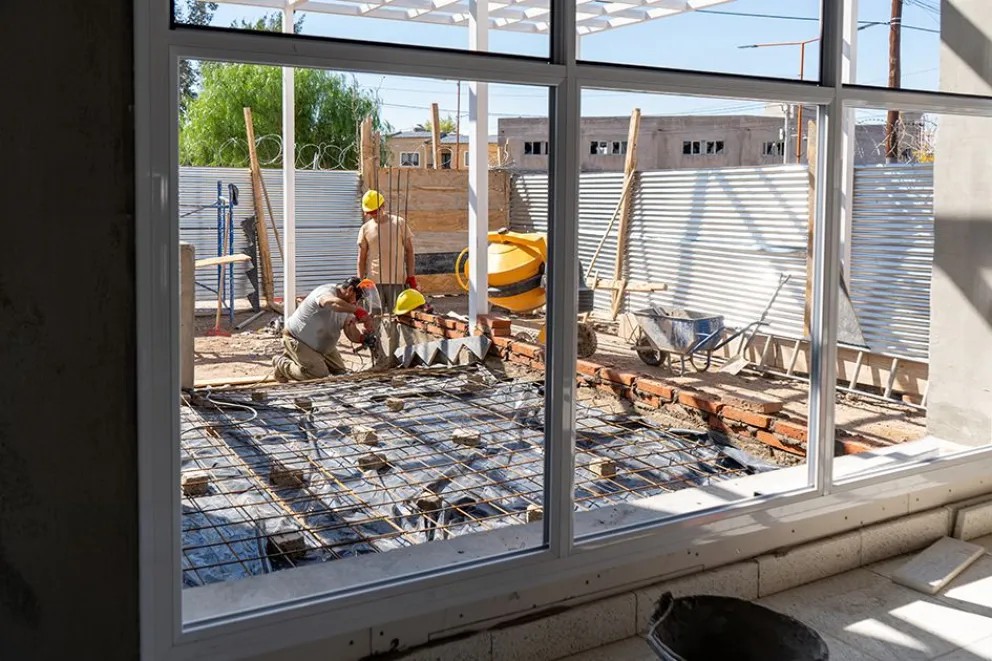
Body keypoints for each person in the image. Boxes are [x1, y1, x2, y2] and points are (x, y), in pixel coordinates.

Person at [272, 277, 374, 382]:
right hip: (299, 340)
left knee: (341, 373)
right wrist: (357, 311)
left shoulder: (348, 307)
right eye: (357, 297)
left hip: (323, 346)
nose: (357, 302)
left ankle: (300, 359)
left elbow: (350, 331)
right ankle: (281, 365)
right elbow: (331, 303)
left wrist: (363, 338)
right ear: (350, 290)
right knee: (318, 374)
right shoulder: (326, 291)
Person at [357, 189, 417, 366]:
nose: (373, 215)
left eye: (375, 211)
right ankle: (377, 358)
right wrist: (360, 282)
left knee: (399, 319)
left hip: (397, 281)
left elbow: (409, 251)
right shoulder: (366, 229)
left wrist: (411, 276)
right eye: (370, 212)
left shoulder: (399, 223)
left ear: (383, 206)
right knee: (372, 321)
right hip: (373, 283)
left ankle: (398, 357)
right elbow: (361, 258)